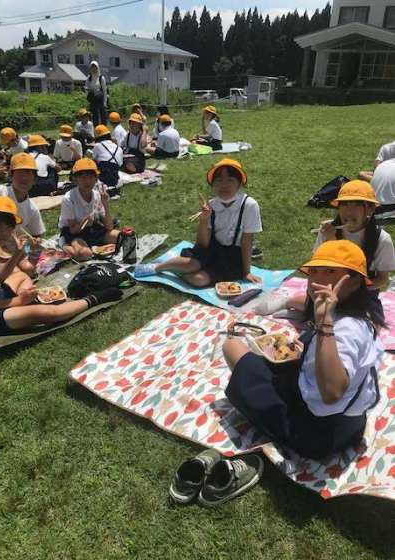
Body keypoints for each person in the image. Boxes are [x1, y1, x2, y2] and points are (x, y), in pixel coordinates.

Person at [224, 239, 384, 460]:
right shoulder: (360, 317)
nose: (317, 279)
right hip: (352, 425)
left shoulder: (345, 329)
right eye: (314, 271)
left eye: (330, 271)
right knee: (267, 362)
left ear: (355, 282)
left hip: (315, 433)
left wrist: (325, 322)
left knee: (232, 346)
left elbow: (332, 392)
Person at [0, 196, 121, 340]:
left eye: (8, 226)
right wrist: (19, 301)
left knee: (21, 276)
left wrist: (20, 252)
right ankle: (94, 299)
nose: (3, 231)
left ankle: (26, 303)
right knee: (50, 313)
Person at [253, 181, 395, 322]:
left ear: (370, 209)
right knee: (327, 311)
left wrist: (355, 288)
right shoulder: (328, 230)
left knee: (370, 324)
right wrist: (330, 239)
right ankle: (289, 302)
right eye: (344, 204)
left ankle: (309, 312)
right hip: (327, 287)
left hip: (362, 293)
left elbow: (382, 279)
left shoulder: (381, 239)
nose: (348, 211)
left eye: (357, 204)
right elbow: (317, 268)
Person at [135, 158, 262, 286]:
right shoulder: (211, 205)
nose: (224, 185)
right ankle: (157, 267)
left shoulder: (249, 205)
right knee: (193, 265)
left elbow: (247, 241)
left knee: (198, 280)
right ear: (213, 185)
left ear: (239, 184)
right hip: (211, 249)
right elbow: (202, 244)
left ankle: (177, 269)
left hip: (232, 255)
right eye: (219, 180)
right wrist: (204, 219)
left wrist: (246, 272)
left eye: (230, 180)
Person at [0, 152, 46, 276]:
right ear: (11, 175)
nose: (24, 178)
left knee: (28, 268)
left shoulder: (32, 208)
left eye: (28, 173)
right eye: (20, 173)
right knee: (13, 275)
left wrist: (31, 247)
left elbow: (36, 235)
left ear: (34, 179)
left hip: (14, 247)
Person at [58, 158, 122, 261]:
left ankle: (92, 245)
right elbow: (72, 230)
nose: (87, 181)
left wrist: (106, 204)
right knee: (85, 254)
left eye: (91, 177)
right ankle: (64, 245)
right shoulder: (69, 198)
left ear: (96, 178)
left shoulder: (97, 195)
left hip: (93, 229)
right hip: (74, 232)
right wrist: (84, 223)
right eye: (83, 177)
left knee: (123, 238)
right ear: (76, 179)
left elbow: (109, 227)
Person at [92, 124, 123, 191]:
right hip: (115, 174)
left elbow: (92, 160)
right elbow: (120, 164)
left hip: (103, 172)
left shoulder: (98, 145)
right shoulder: (119, 148)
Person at [85, 61, 107, 126]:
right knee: (94, 116)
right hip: (93, 100)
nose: (94, 69)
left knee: (103, 116)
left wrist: (105, 102)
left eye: (95, 67)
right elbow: (86, 88)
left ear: (97, 68)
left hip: (100, 99)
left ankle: (104, 129)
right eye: (92, 67)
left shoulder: (101, 78)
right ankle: (96, 129)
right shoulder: (89, 78)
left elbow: (104, 90)